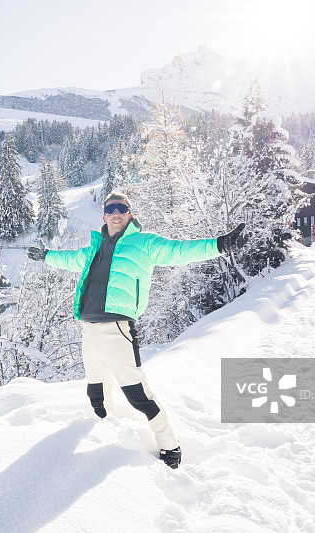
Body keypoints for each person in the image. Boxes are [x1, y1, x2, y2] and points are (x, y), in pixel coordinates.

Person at [27, 191, 246, 468]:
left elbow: (179, 251)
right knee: (96, 392)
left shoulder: (144, 243)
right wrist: (46, 255)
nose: (116, 214)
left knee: (138, 395)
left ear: (129, 214)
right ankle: (106, 434)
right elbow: (69, 259)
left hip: (118, 330)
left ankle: (170, 446)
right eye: (111, 209)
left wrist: (220, 244)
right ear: (104, 215)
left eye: (122, 208)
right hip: (89, 331)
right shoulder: (94, 247)